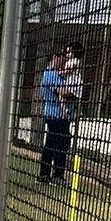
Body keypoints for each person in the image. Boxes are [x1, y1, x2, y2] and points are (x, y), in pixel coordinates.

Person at [39, 49, 72, 184]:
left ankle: (44, 175)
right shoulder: (51, 74)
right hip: (57, 116)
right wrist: (76, 91)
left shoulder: (56, 74)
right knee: (60, 145)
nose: (64, 60)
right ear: (54, 57)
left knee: (50, 144)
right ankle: (57, 176)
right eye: (61, 57)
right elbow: (62, 92)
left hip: (54, 115)